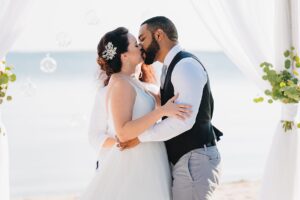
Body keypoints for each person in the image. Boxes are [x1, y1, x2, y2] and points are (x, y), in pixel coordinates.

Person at [119, 16, 223, 200]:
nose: (140, 45)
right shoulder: (170, 67)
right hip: (187, 159)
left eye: (142, 38)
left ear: (159, 35)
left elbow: (183, 121)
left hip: (194, 160)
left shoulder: (185, 66)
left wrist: (139, 138)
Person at [81, 27, 191, 200]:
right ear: (124, 56)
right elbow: (123, 132)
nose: (141, 46)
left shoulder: (133, 82)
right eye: (135, 44)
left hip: (150, 156)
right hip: (136, 161)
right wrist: (161, 111)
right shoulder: (120, 83)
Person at [88, 63, 159, 169]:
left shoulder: (152, 91)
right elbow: (95, 136)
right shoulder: (104, 93)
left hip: (151, 156)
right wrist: (123, 143)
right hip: (115, 161)